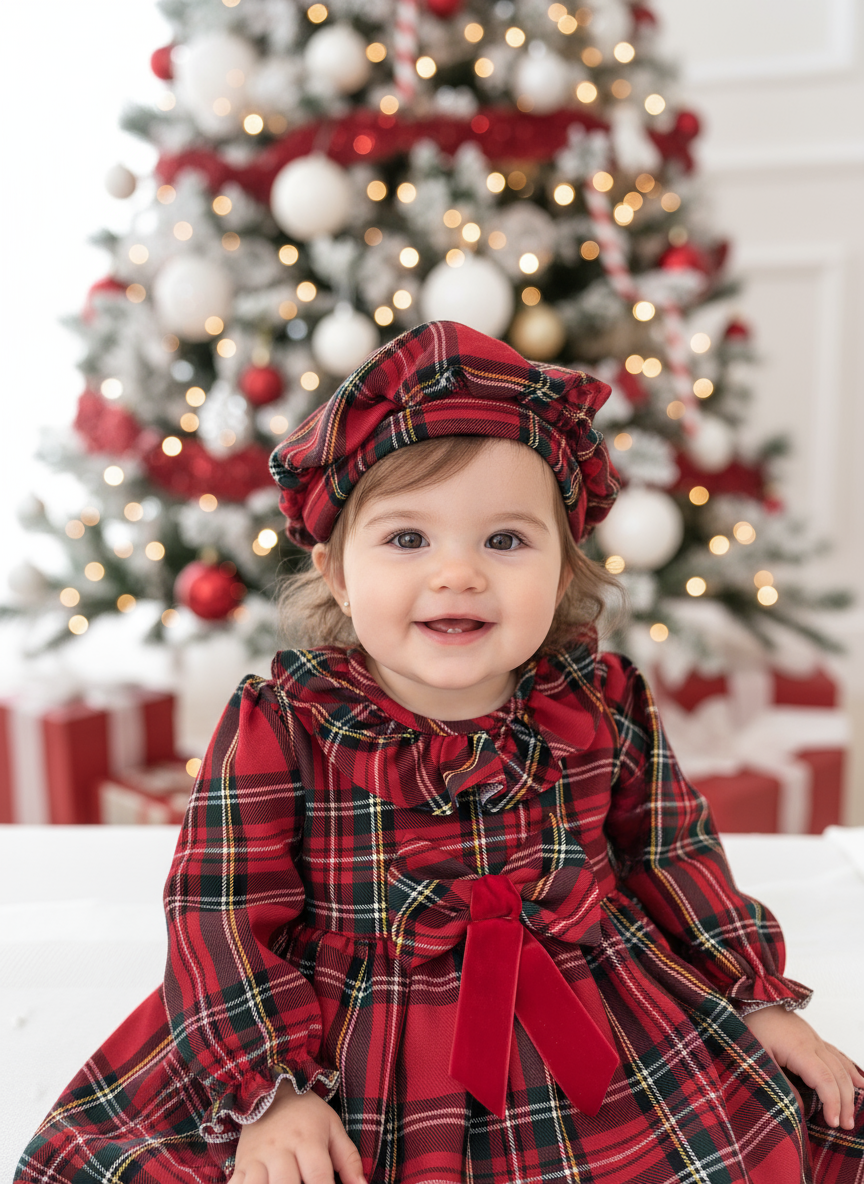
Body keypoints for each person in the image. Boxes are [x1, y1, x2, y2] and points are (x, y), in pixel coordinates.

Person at [16, 320, 863, 1184]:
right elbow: (220, 912)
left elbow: (673, 856)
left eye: (506, 541)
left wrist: (753, 995)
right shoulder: (287, 720)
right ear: (339, 573)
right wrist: (274, 1091)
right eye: (408, 539)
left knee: (742, 1137)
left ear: (564, 574)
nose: (457, 573)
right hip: (348, 1036)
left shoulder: (600, 703)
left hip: (589, 998)